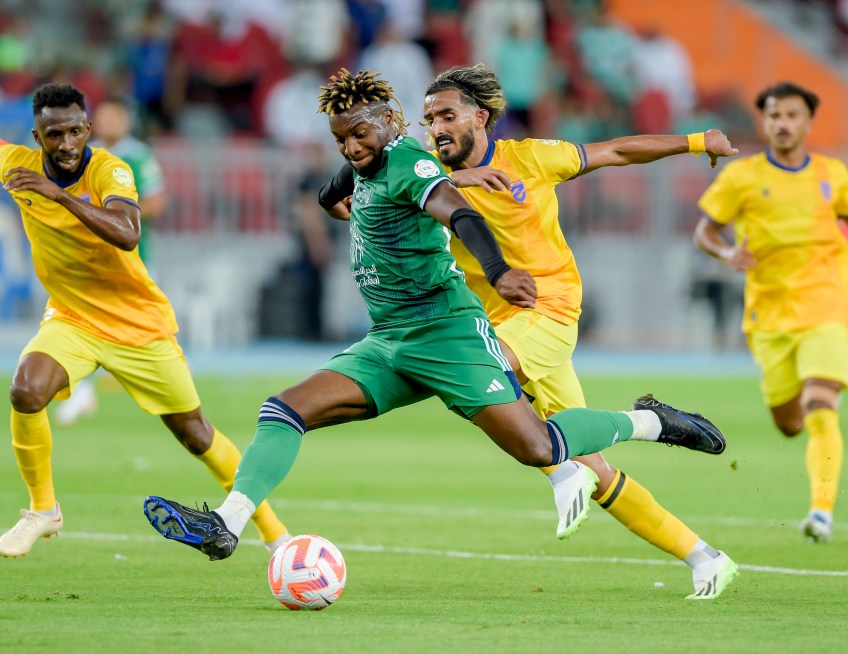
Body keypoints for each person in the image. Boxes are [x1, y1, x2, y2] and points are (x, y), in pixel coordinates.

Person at [142, 68, 726, 568]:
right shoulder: (373, 159)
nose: (350, 147)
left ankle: (648, 426)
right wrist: (333, 194)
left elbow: (460, 216)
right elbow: (343, 185)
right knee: (285, 409)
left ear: (394, 122)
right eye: (340, 138)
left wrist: (498, 270)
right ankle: (227, 523)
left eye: (359, 134)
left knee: (543, 444)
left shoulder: (419, 162)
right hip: (392, 340)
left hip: (456, 331)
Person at [0, 83, 290, 558]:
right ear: (36, 136)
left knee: (195, 432)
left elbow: (127, 232)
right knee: (25, 389)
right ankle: (42, 510)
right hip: (73, 318)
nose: (66, 144)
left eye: (75, 132)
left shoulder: (110, 169)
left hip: (137, 323)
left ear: (88, 130)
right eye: (53, 134)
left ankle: (275, 534)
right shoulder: (16, 163)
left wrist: (59, 198)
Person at [416, 64, 740, 600]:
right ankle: (705, 557)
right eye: (430, 120)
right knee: (593, 463)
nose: (436, 128)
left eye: (447, 115)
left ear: (480, 117)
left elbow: (615, 152)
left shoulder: (531, 158)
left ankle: (572, 465)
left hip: (552, 308)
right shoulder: (425, 174)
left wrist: (694, 139)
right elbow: (348, 202)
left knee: (477, 378)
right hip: (499, 325)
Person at [694, 81, 848, 544]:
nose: (783, 123)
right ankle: (804, 419)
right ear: (764, 121)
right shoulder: (741, 177)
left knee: (822, 407)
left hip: (826, 306)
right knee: (788, 422)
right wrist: (726, 256)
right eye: (775, 115)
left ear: (807, 122)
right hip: (769, 317)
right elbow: (705, 232)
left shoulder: (833, 174)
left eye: (792, 115)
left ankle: (821, 512)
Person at [54, 95, 167, 426]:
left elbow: (157, 204)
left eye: (114, 117)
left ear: (126, 121)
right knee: (81, 321)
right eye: (102, 118)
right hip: (90, 258)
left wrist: (112, 218)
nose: (107, 124)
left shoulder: (138, 156)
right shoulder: (83, 156)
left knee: (139, 324)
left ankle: (164, 376)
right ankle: (82, 389)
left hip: (133, 258)